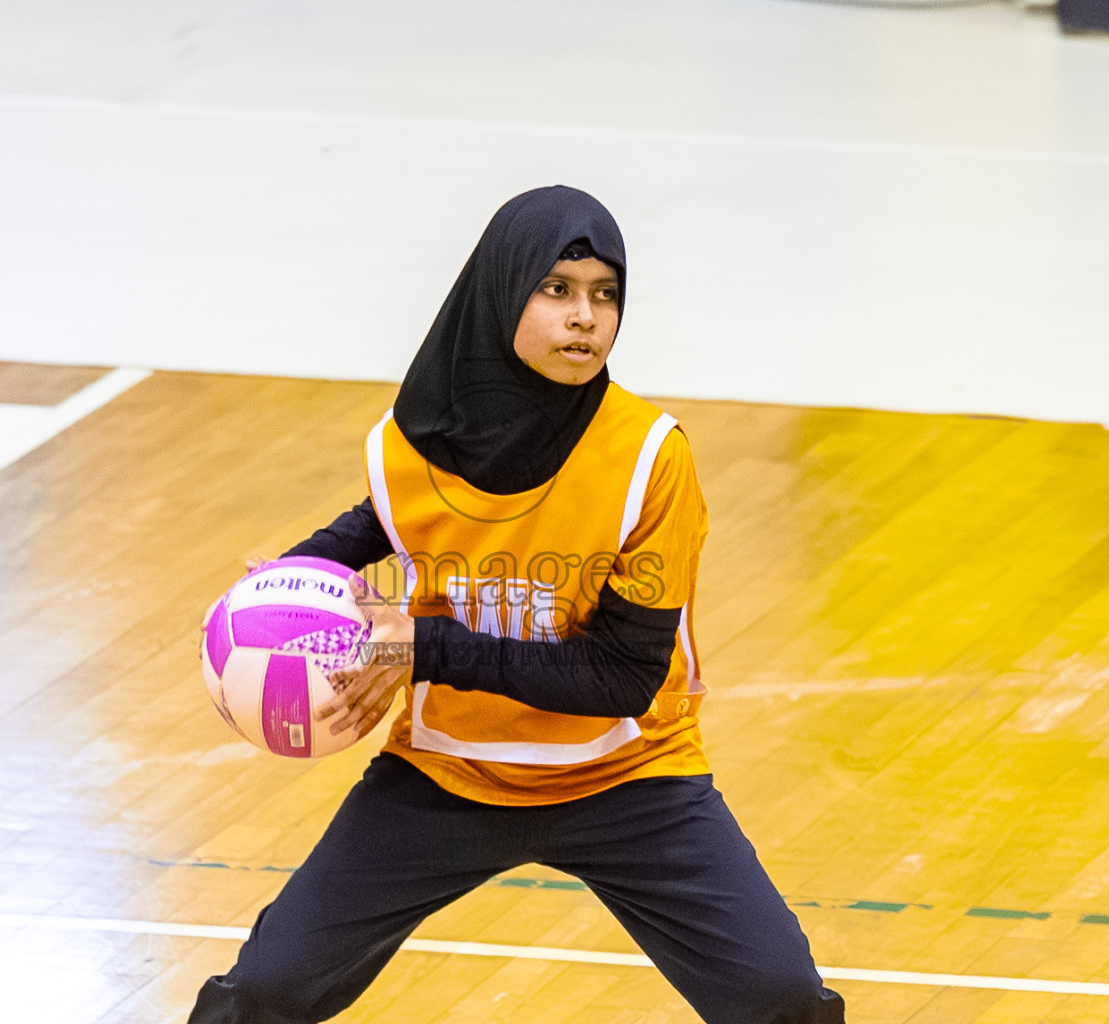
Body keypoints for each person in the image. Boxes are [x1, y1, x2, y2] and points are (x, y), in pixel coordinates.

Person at [189, 185, 845, 1024]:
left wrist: (423, 647)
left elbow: (620, 677)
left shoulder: (650, 460)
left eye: (604, 295)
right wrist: (284, 583)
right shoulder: (412, 440)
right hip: (445, 775)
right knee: (267, 991)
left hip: (627, 778)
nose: (585, 318)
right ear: (501, 294)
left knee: (781, 998)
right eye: (557, 290)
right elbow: (380, 521)